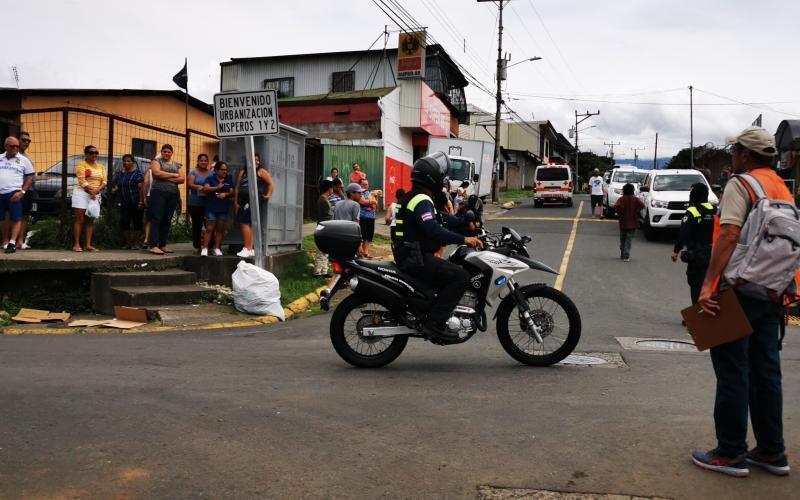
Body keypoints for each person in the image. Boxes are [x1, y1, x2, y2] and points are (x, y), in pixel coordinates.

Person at [693, 127, 791, 477]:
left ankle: (730, 452)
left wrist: (708, 285)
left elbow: (730, 234)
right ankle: (772, 451)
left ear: (745, 155)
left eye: (734, 150)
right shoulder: (781, 188)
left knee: (732, 371)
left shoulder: (742, 184)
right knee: (766, 373)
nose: (731, 156)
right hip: (771, 291)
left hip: (735, 289)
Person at [392, 152, 483, 339]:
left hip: (409, 254)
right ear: (431, 178)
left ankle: (433, 309)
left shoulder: (414, 197)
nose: (443, 181)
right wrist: (464, 239)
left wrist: (466, 224)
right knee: (461, 276)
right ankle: (435, 322)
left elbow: (441, 218)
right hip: (416, 258)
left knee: (450, 270)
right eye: (441, 177)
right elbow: (433, 229)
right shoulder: (422, 200)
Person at [671, 183, 716, 304]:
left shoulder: (693, 211)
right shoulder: (714, 209)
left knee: (696, 284)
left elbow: (684, 233)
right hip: (714, 253)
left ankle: (697, 311)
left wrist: (676, 251)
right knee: (712, 284)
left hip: (697, 254)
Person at [321, 183, 364, 300]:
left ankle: (327, 292)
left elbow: (334, 220)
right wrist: (359, 243)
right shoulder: (355, 205)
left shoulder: (338, 204)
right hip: (349, 240)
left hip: (337, 239)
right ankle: (358, 298)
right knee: (356, 268)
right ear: (352, 193)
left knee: (339, 270)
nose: (361, 195)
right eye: (359, 192)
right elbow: (356, 224)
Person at [233, 154, 274, 258]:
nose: (256, 161)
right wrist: (235, 202)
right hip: (243, 201)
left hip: (254, 200)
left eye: (258, 160)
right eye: (254, 159)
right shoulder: (243, 172)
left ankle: (247, 248)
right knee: (248, 224)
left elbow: (271, 184)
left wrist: (268, 195)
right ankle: (250, 249)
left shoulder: (261, 171)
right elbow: (237, 188)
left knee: (244, 223)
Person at [147, 144, 184, 255]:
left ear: (172, 153)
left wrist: (165, 177)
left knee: (167, 220)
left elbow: (182, 179)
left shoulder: (177, 164)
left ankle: (162, 245)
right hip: (158, 193)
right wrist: (174, 175)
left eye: (169, 152)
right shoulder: (156, 161)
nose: (167, 153)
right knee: (156, 218)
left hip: (173, 194)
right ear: (161, 152)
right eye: (165, 151)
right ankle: (154, 245)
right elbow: (156, 173)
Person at [0, 136, 34, 254]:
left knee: (16, 217)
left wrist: (22, 192)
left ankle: (12, 242)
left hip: (14, 192)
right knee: (3, 218)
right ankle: (5, 241)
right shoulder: (0, 158)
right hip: (1, 192)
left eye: (17, 146)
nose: (15, 148)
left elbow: (30, 177)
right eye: (12, 146)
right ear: (5, 146)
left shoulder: (24, 160)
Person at [72, 145, 107, 252]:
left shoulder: (101, 166)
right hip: (82, 194)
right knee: (80, 219)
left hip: (95, 195)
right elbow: (82, 180)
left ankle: (88, 245)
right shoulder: (81, 165)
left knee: (91, 220)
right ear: (86, 154)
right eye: (91, 152)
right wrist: (91, 191)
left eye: (96, 153)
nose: (94, 154)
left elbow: (104, 181)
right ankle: (76, 244)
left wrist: (96, 191)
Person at [110, 154, 145, 249]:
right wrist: (115, 189)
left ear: (133, 162)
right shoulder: (121, 173)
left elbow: (141, 189)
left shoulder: (137, 174)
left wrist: (141, 202)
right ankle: (129, 243)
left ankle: (136, 243)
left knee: (137, 222)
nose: (126, 163)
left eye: (128, 161)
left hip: (136, 201)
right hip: (124, 202)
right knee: (124, 222)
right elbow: (119, 185)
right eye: (124, 161)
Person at [200, 162, 233, 257]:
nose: (225, 171)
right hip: (211, 207)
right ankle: (205, 248)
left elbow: (232, 191)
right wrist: (217, 187)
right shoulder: (210, 178)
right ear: (216, 170)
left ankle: (217, 248)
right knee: (209, 228)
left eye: (226, 170)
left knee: (219, 229)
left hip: (223, 207)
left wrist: (226, 194)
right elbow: (206, 188)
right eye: (222, 170)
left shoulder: (228, 179)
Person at [187, 153, 211, 254]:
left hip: (208, 202)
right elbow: (189, 184)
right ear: (198, 161)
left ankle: (209, 247)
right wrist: (198, 187)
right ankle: (197, 247)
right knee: (197, 225)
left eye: (205, 160)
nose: (203, 162)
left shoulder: (211, 173)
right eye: (201, 160)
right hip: (195, 202)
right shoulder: (193, 172)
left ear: (208, 162)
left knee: (209, 225)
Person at [614, 183, 645, 262]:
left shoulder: (621, 199)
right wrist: (636, 211)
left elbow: (616, 206)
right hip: (633, 222)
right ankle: (626, 255)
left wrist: (620, 212)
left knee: (622, 238)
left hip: (623, 222)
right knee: (629, 239)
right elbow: (642, 205)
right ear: (632, 190)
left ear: (624, 190)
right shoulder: (635, 199)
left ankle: (622, 253)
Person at [313, 179, 333, 277]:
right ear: (329, 189)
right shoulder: (323, 200)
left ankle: (324, 271)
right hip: (324, 228)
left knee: (325, 251)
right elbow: (327, 216)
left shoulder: (324, 199)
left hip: (326, 228)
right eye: (332, 188)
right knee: (321, 251)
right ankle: (317, 273)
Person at [358, 178, 377, 258]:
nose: (365, 186)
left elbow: (375, 206)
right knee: (363, 235)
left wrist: (371, 202)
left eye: (366, 184)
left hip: (371, 216)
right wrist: (371, 201)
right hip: (363, 216)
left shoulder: (370, 193)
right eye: (363, 184)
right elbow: (362, 202)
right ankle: (361, 252)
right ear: (360, 185)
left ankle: (366, 252)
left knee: (369, 236)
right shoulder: (359, 193)